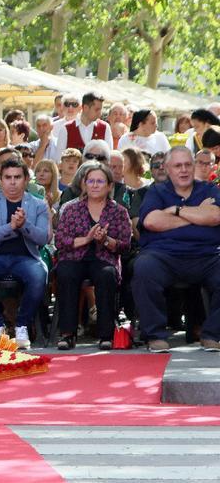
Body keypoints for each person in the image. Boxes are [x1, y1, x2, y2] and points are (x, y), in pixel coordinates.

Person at [133, 146, 220, 353]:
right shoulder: (156, 191)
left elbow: (215, 216)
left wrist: (176, 211)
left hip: (206, 255)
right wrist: (198, 215)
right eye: (177, 165)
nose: (183, 170)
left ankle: (213, 334)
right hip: (164, 256)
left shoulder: (209, 190)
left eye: (188, 164)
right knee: (143, 267)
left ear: (194, 166)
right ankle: (155, 335)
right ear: (168, 169)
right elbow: (152, 222)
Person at [0, 157, 50, 348]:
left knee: (39, 275)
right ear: (0, 179)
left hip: (26, 257)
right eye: (8, 177)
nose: (12, 182)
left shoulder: (38, 204)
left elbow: (43, 238)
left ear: (26, 179)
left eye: (17, 177)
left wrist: (24, 225)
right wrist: (11, 227)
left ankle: (22, 325)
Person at [54, 162, 131, 350]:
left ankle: (105, 335)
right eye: (91, 181)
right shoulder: (71, 209)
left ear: (109, 186)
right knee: (66, 273)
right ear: (84, 184)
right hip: (74, 257)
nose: (95, 185)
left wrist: (105, 240)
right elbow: (60, 241)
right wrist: (87, 238)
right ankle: (68, 334)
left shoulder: (118, 211)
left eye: (100, 181)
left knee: (106, 274)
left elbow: (125, 245)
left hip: (104, 258)